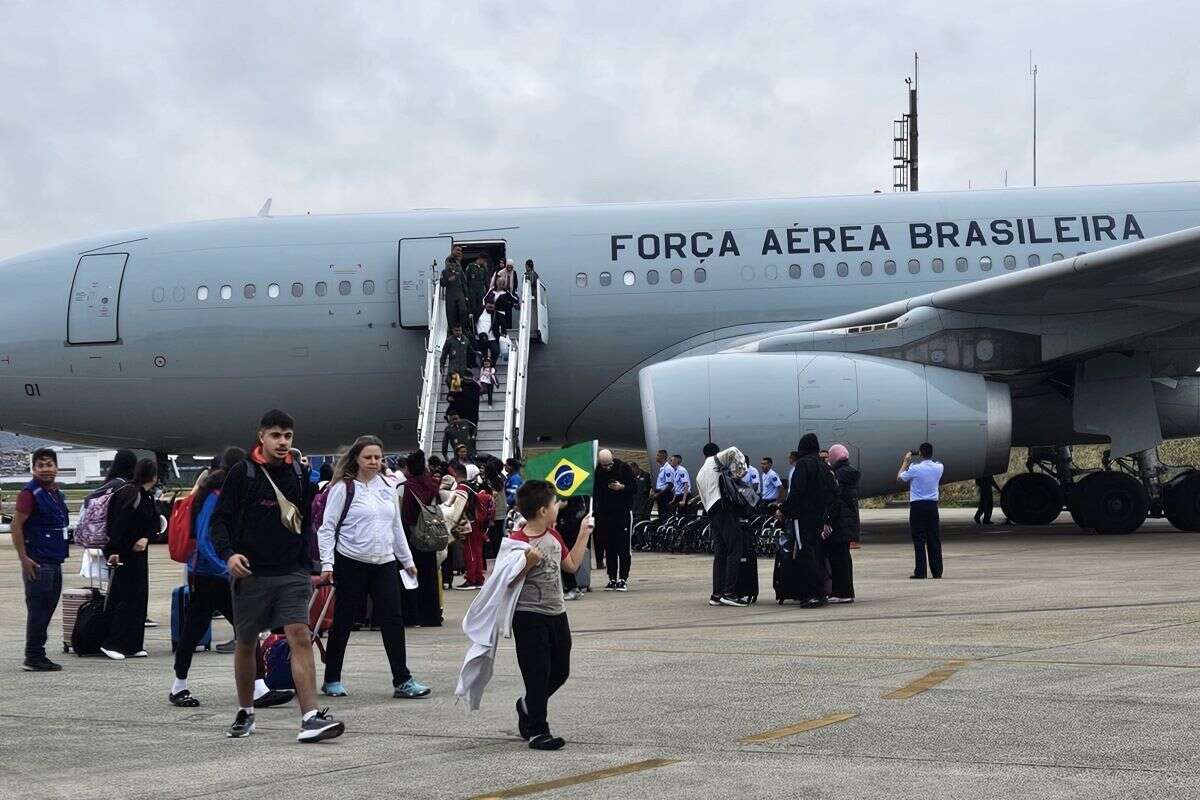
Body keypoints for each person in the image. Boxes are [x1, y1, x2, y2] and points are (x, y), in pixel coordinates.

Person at [210, 409, 344, 743]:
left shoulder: (299, 473)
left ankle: (310, 716)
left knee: (299, 635)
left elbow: (307, 518)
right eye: (276, 436)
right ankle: (246, 710)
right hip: (252, 574)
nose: (283, 442)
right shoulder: (243, 473)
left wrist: (310, 565)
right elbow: (220, 521)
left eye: (288, 436)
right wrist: (229, 555)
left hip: (291, 572)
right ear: (262, 437)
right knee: (245, 643)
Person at [171, 447, 294, 708]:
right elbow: (206, 540)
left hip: (220, 575)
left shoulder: (228, 495)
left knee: (244, 630)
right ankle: (179, 685)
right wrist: (229, 566)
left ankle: (258, 687)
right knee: (199, 631)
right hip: (210, 576)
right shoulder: (215, 497)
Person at [317, 436, 429, 700]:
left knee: (393, 619)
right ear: (356, 458)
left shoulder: (387, 487)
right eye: (368, 457)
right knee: (344, 620)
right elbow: (327, 527)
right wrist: (327, 562)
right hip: (350, 561)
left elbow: (395, 526)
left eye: (378, 457)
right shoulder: (343, 489)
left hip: (384, 562)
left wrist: (407, 560)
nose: (373, 462)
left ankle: (402, 679)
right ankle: (332, 677)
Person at [510, 480, 594, 750]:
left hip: (557, 613)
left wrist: (583, 533)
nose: (559, 505)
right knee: (537, 673)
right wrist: (526, 565)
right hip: (529, 616)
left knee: (560, 671)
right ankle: (538, 731)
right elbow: (504, 582)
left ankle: (527, 705)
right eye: (555, 503)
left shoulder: (554, 536)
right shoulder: (516, 542)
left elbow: (570, 566)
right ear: (543, 510)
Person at [11, 448, 69, 671]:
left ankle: (37, 653)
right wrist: (24, 558)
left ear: (56, 468)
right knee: (38, 609)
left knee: (47, 608)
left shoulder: (55, 493)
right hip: (38, 561)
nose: (46, 469)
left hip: (54, 560)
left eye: (49, 464)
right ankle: (33, 656)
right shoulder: (30, 493)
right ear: (34, 469)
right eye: (41, 465)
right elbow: (16, 526)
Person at [100, 458, 159, 660]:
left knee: (138, 599)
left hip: (138, 555)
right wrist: (114, 550)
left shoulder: (145, 495)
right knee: (125, 599)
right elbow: (119, 524)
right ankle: (113, 643)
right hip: (123, 554)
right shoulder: (131, 494)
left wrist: (146, 538)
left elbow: (153, 525)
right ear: (153, 476)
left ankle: (133, 644)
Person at [781, 434, 837, 607]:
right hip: (818, 517)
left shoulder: (803, 465)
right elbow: (833, 492)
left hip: (802, 516)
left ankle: (811, 593)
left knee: (805, 552)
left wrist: (784, 511)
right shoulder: (823, 466)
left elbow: (796, 492)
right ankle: (821, 592)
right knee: (816, 551)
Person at [695, 442, 750, 607]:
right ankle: (729, 593)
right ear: (716, 452)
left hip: (712, 513)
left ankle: (717, 594)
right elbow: (734, 450)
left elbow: (703, 498)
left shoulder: (699, 474)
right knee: (735, 548)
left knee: (720, 553)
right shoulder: (716, 460)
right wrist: (739, 472)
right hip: (724, 509)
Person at [399, 450, 444, 628]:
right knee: (430, 575)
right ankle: (431, 615)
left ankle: (412, 615)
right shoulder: (432, 485)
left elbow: (399, 511)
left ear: (409, 468)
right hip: (430, 534)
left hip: (410, 536)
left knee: (410, 575)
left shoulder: (404, 486)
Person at [899, 443, 945, 579]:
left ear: (920, 453)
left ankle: (921, 571)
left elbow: (900, 476)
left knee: (919, 539)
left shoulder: (915, 468)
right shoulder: (939, 467)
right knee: (934, 539)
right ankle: (937, 571)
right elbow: (936, 464)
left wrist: (906, 462)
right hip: (932, 506)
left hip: (917, 506)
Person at [594, 449, 636, 590]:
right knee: (609, 547)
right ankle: (612, 577)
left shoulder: (623, 468)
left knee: (623, 547)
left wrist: (621, 487)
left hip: (622, 512)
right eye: (604, 465)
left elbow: (634, 487)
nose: (606, 468)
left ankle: (623, 578)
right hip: (606, 513)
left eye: (609, 465)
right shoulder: (598, 471)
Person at [825, 444, 858, 603]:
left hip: (840, 523)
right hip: (848, 522)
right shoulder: (849, 473)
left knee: (838, 559)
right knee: (844, 558)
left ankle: (841, 592)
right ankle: (846, 591)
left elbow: (835, 500)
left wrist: (828, 520)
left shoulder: (838, 475)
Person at [455, 464, 492, 591]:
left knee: (469, 551)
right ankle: (478, 578)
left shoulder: (463, 487)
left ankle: (471, 579)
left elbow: (460, 506)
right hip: (480, 523)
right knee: (477, 551)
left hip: (470, 523)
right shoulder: (478, 486)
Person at [440, 244, 471, 331]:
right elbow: (442, 282)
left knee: (463, 310)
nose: (459, 252)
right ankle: (452, 330)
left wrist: (466, 295)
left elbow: (463, 281)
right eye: (457, 250)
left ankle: (463, 329)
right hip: (451, 292)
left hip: (459, 291)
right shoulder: (447, 267)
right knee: (451, 313)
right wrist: (449, 279)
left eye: (460, 251)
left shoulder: (459, 268)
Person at [652, 450, 675, 519]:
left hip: (665, 495)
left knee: (666, 516)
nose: (656, 457)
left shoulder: (668, 468)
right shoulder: (662, 468)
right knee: (661, 515)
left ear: (662, 457)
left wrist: (659, 494)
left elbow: (670, 485)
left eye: (658, 455)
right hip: (661, 495)